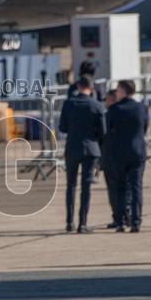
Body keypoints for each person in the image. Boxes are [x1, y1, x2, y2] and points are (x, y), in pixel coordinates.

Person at [57, 75, 106, 233]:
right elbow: (103, 131)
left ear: (78, 86)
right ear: (91, 88)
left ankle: (69, 221)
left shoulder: (68, 104)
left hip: (72, 148)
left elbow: (63, 127)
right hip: (90, 149)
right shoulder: (97, 105)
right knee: (86, 187)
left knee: (71, 185)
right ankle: (82, 223)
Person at [106, 80, 149, 233]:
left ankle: (120, 222)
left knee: (120, 188)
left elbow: (108, 129)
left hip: (119, 153)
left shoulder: (114, 109)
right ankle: (136, 221)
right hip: (137, 152)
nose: (116, 93)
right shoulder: (142, 108)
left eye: (118, 90)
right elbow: (144, 128)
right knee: (136, 188)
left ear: (123, 91)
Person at [101, 89, 123, 230]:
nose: (105, 102)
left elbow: (102, 136)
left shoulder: (107, 115)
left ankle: (118, 217)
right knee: (124, 189)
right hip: (121, 156)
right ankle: (125, 216)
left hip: (110, 157)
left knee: (114, 190)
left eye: (107, 100)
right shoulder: (124, 113)